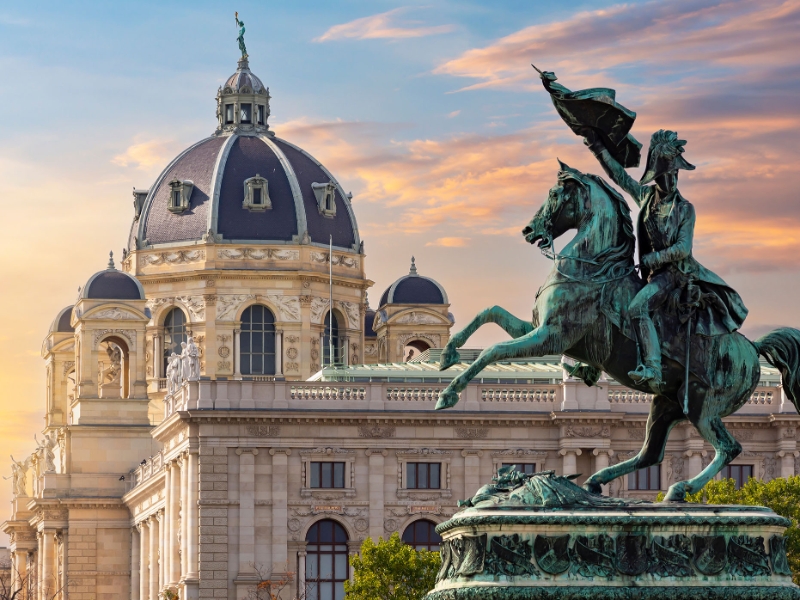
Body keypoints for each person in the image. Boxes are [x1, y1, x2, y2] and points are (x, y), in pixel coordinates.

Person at [584, 129, 748, 393]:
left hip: (675, 275)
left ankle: (652, 367)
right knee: (609, 298)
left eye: (675, 174)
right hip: (651, 275)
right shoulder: (646, 197)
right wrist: (596, 146)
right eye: (666, 175)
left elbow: (683, 248)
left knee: (637, 307)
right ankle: (594, 363)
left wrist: (654, 258)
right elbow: (619, 177)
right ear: (656, 175)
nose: (671, 180)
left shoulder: (685, 209)